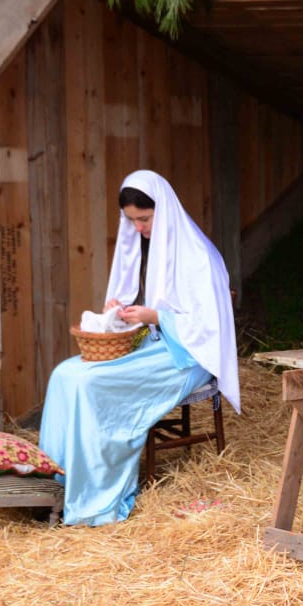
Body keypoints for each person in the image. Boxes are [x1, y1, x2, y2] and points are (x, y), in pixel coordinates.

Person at [39, 170, 240, 526]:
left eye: (144, 219)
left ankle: (94, 497)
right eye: (131, 222)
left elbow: (210, 329)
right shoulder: (152, 250)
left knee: (90, 384)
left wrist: (154, 316)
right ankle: (54, 484)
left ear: (164, 212)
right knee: (65, 374)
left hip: (189, 356)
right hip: (158, 345)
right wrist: (121, 314)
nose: (139, 229)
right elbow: (148, 316)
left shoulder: (199, 257)